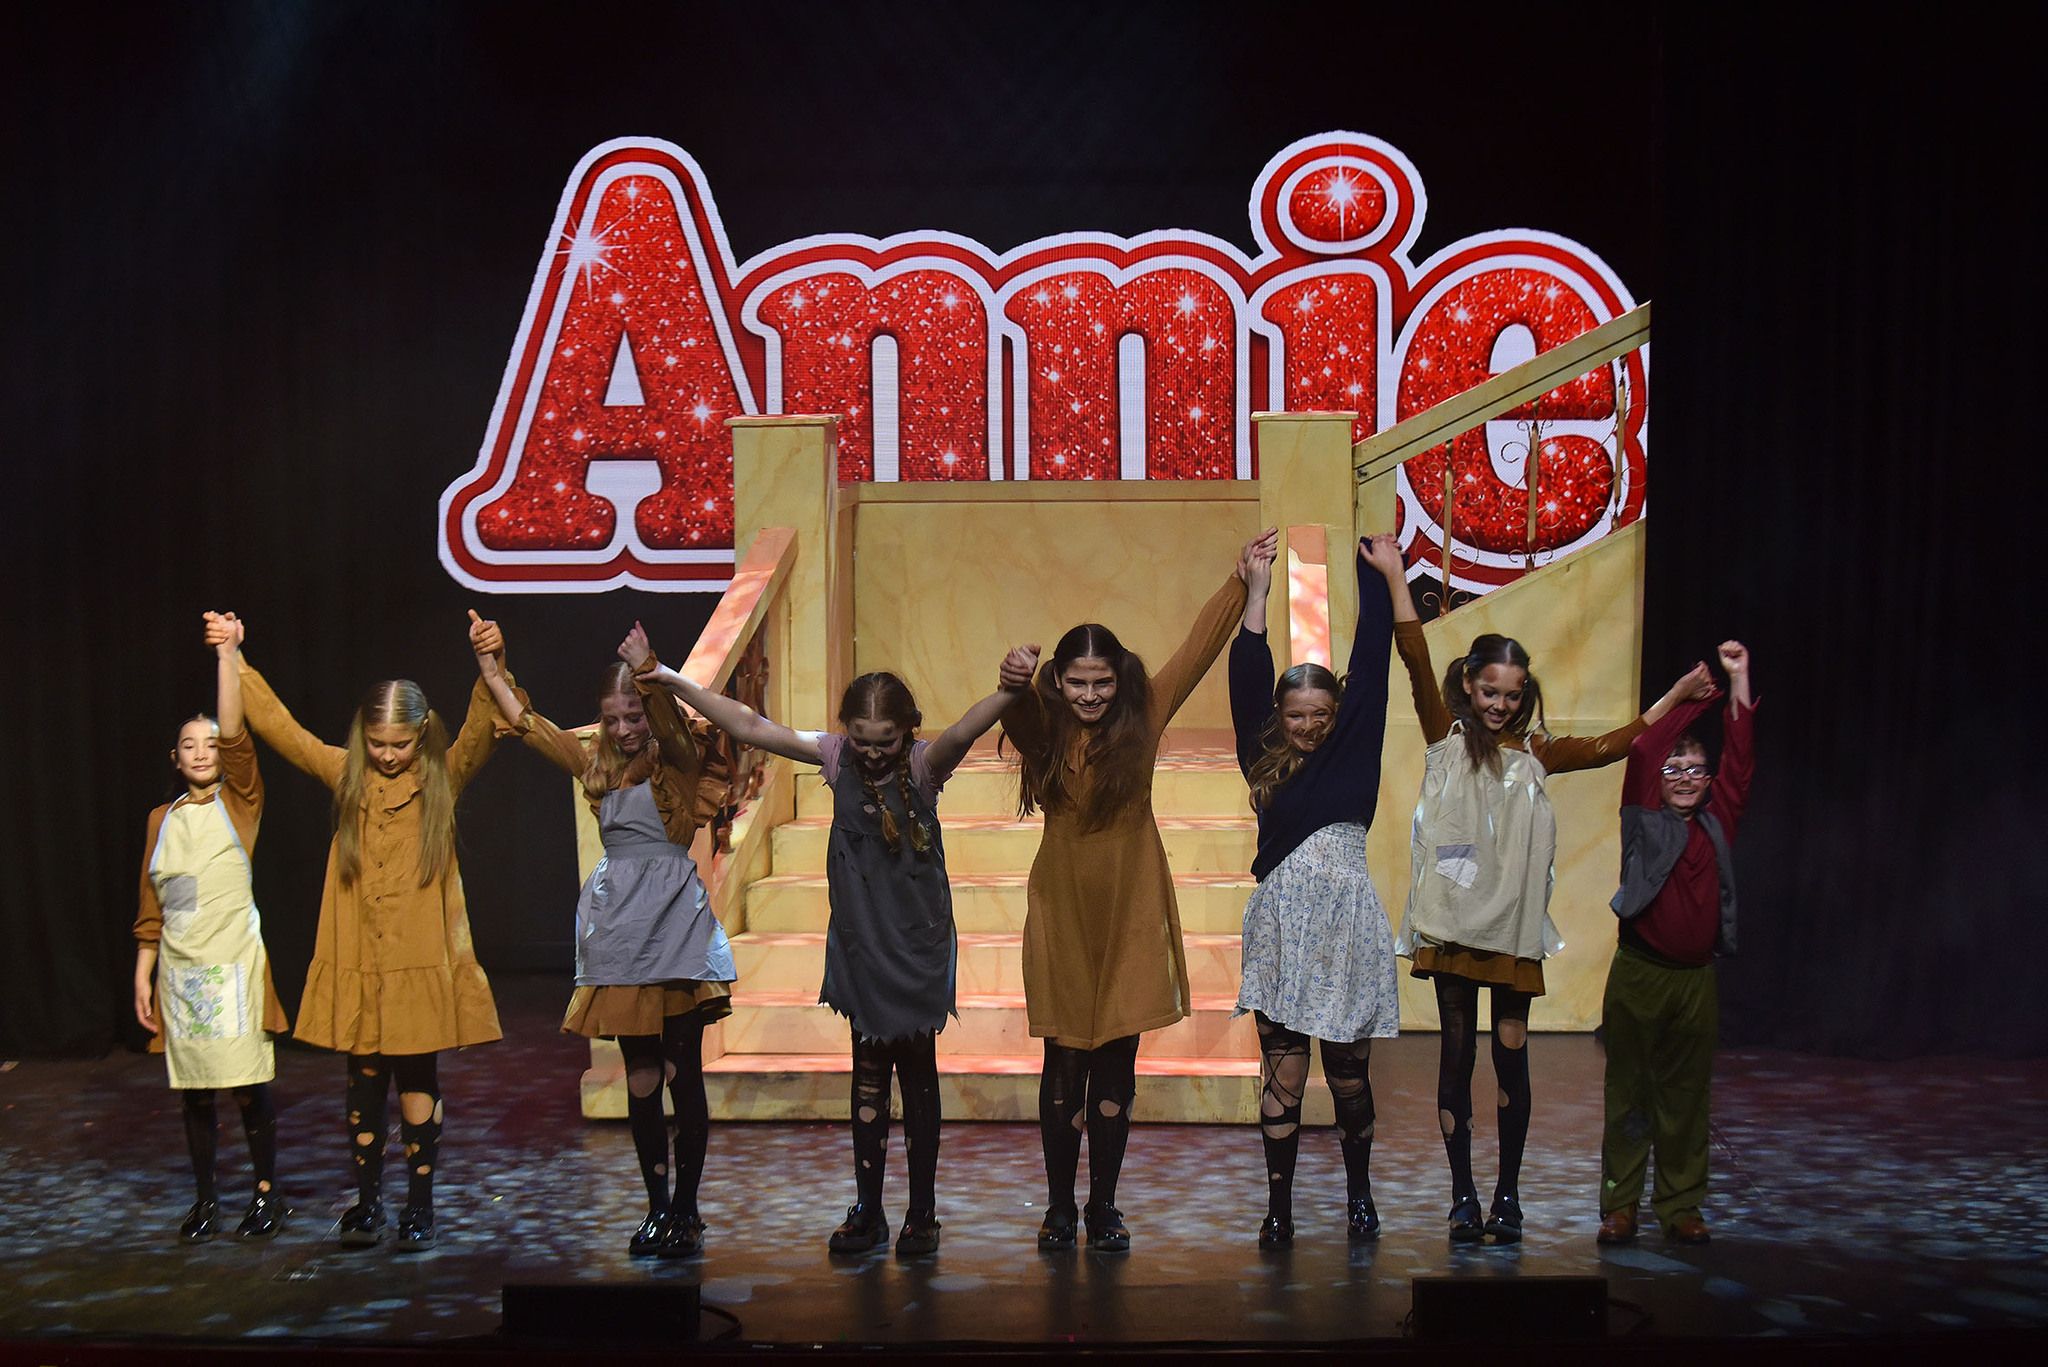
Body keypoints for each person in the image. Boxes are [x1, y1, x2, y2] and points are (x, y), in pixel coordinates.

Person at [1370, 549, 1714, 1244]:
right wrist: (1395, 579)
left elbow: (1616, 744)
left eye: (1512, 694)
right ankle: (1462, 1196)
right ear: (1469, 686)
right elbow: (1413, 656)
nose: (1499, 704)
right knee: (1456, 1059)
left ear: (1524, 696)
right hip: (1452, 927)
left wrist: (1679, 694)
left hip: (1511, 932)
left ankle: (1508, 1196)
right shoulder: (1445, 736)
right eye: (1489, 691)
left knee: (1511, 1054)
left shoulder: (1537, 754)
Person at [650, 650, 1034, 1257]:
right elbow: (749, 724)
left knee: (918, 1072)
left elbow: (965, 728)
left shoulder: (923, 764)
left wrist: (1011, 688)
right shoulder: (834, 758)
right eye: (862, 740)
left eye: (885, 741)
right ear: (845, 731)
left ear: (906, 731)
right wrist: (670, 680)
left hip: (915, 946)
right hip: (861, 944)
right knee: (868, 1073)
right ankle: (869, 1209)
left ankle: (922, 1213)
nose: (873, 753)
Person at [1002, 530, 1270, 1254]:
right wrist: (1014, 680)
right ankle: (1060, 1207)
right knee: (1064, 1063)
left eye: (1101, 682)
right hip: (1062, 907)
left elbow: (1196, 651)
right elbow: (1014, 714)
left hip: (1130, 905)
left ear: (1118, 680)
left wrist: (1240, 581)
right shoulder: (1044, 728)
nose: (1090, 695)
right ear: (1060, 682)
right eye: (1076, 682)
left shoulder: (1144, 713)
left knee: (1117, 1061)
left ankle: (1103, 1206)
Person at [223, 612, 514, 1250]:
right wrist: (235, 661)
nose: (386, 755)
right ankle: (368, 1202)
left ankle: (419, 1206)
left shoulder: (440, 778)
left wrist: (490, 665)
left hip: (416, 956)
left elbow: (484, 730)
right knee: (362, 1077)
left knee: (415, 1077)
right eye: (377, 743)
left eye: (398, 744)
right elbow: (284, 731)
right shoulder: (348, 775)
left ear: (420, 735)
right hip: (358, 952)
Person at [474, 618, 732, 1259]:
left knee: (680, 1070)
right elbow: (532, 728)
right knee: (640, 1073)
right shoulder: (596, 766)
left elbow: (671, 726)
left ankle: (687, 1211)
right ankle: (656, 1208)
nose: (623, 729)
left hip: (673, 927)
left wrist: (649, 671)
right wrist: (494, 672)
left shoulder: (675, 761)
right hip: (619, 932)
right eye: (612, 719)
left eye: (632, 716)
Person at [1228, 534, 1398, 1247]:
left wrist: (1375, 573)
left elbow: (1374, 659)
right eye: (1295, 714)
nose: (1307, 725)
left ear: (1337, 713)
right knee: (1284, 1074)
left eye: (1319, 714)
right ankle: (1279, 1208)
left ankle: (1359, 1196)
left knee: (1350, 1078)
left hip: (1346, 926)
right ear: (1280, 717)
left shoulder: (1354, 749)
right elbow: (1246, 674)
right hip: (1281, 928)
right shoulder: (1263, 754)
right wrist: (1257, 593)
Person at [135, 612, 292, 1242]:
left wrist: (228, 657)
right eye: (188, 745)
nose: (202, 752)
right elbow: (155, 905)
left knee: (247, 1086)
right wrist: (143, 974)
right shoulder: (162, 819)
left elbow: (235, 737)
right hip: (181, 972)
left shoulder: (240, 802)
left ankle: (266, 1195)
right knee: (194, 1091)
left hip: (234, 967)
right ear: (174, 759)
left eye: (208, 744)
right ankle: (206, 1200)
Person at [1598, 640, 1755, 1247]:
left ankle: (1681, 1204)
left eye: (1695, 770)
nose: (1685, 779)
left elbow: (1740, 763)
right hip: (1641, 975)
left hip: (1695, 981)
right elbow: (1643, 749)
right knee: (1630, 1094)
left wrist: (1737, 679)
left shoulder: (1717, 823)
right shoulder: (1643, 820)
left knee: (1687, 1098)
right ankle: (1621, 1205)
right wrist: (1691, 702)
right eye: (1675, 770)